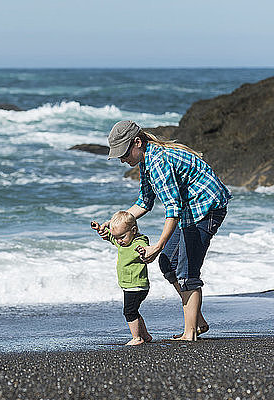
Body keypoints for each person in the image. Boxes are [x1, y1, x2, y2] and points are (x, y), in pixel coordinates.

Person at [99, 120, 231, 341]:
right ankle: (197, 321)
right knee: (167, 263)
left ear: (137, 143)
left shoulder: (158, 161)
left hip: (206, 208)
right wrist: (113, 224)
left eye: (123, 153)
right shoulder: (146, 161)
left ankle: (190, 333)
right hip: (189, 209)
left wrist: (157, 246)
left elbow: (173, 209)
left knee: (187, 271)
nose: (122, 159)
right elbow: (144, 202)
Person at [91, 210, 152, 345]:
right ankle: (145, 335)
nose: (119, 241)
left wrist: (142, 250)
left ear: (134, 230)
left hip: (136, 285)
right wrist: (100, 229)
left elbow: (144, 247)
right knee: (133, 311)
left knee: (129, 312)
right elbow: (110, 237)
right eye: (117, 237)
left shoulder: (139, 241)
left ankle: (137, 338)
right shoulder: (122, 241)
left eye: (122, 237)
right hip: (130, 285)